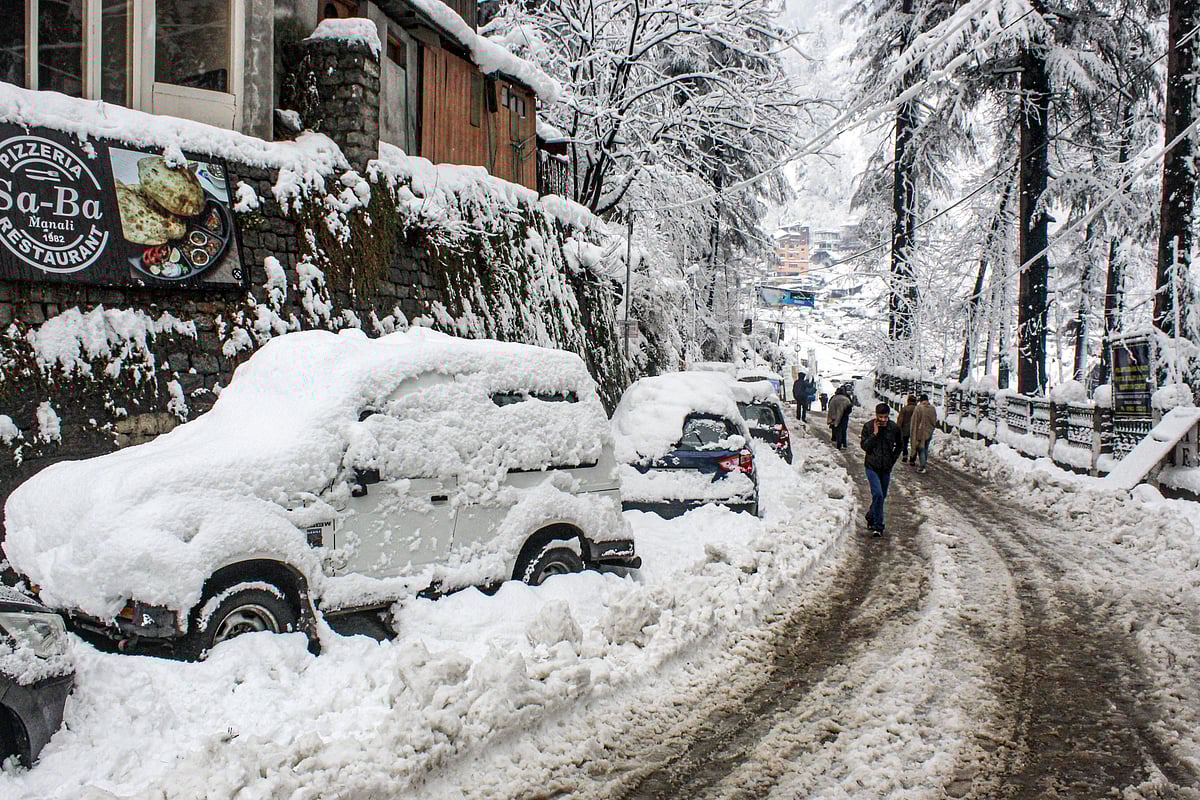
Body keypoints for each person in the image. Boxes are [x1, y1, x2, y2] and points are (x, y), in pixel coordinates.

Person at [860, 402, 903, 536]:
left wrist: (892, 459)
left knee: (882, 496)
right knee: (877, 494)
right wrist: (875, 434)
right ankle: (878, 526)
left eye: (885, 417)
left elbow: (900, 445)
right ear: (876, 416)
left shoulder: (894, 428)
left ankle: (871, 515)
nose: (883, 420)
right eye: (881, 417)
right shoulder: (868, 426)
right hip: (872, 466)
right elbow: (865, 446)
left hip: (886, 468)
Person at [909, 394, 938, 473]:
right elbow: (934, 420)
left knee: (920, 448)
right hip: (929, 432)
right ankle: (923, 463)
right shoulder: (932, 409)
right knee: (925, 448)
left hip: (920, 432)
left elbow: (914, 422)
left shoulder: (918, 408)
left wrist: (914, 433)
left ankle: (922, 466)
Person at [896, 395, 918, 464]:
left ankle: (905, 455)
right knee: (914, 445)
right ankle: (912, 459)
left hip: (905, 429)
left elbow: (900, 420)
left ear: (908, 401)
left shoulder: (904, 409)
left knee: (905, 443)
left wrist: (898, 428)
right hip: (915, 429)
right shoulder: (917, 409)